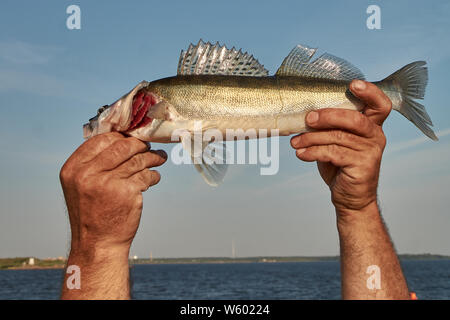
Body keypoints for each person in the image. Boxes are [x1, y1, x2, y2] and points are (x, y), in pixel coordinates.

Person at [59, 80, 410, 300]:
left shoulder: (159, 101)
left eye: (104, 112)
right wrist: (358, 209)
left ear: (143, 102)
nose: (99, 120)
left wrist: (96, 249)